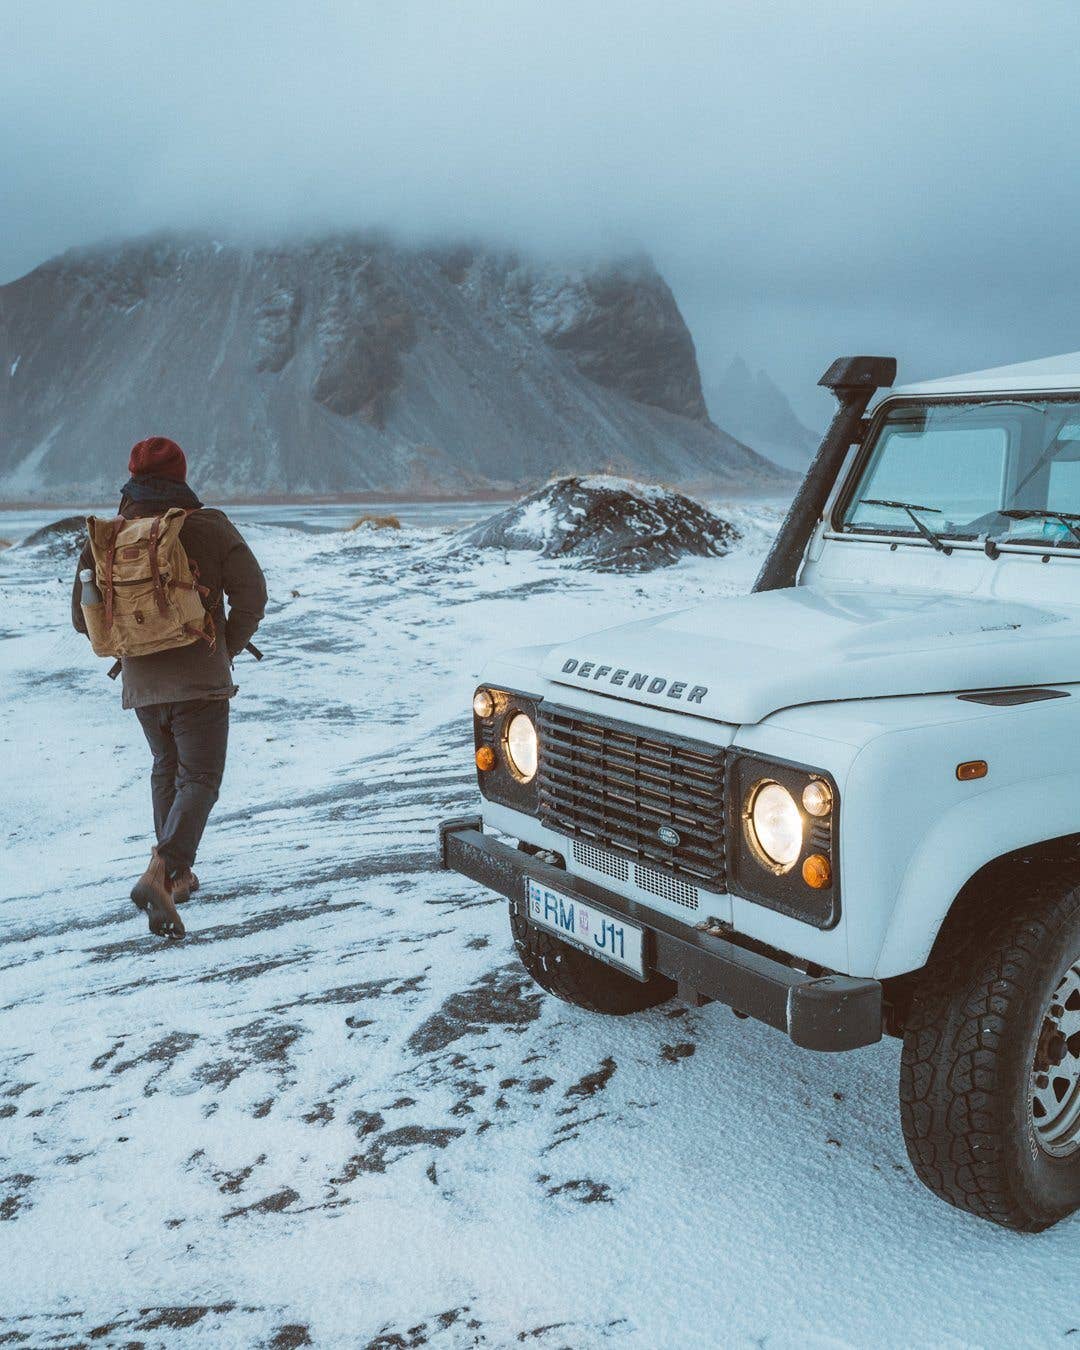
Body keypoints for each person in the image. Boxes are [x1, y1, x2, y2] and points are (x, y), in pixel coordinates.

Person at [72, 437, 267, 939]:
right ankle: (162, 871)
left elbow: (81, 618)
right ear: (182, 473)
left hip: (141, 682)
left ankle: (175, 877)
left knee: (167, 768)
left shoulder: (108, 535)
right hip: (200, 679)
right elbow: (252, 595)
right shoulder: (208, 525)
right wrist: (225, 645)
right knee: (200, 777)